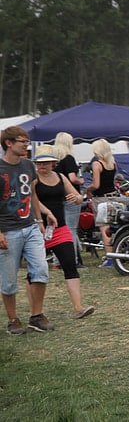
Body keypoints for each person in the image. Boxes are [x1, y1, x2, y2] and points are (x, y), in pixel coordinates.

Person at [0, 126, 56, 334]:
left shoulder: (28, 166)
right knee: (8, 280)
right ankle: (13, 320)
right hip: (7, 229)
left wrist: (40, 220)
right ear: (9, 143)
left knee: (41, 270)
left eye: (27, 141)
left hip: (30, 225)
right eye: (22, 141)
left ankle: (36, 316)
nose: (27, 145)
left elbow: (32, 194)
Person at [31, 145, 95, 319]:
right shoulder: (33, 179)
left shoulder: (60, 177)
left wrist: (77, 198)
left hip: (60, 229)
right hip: (37, 229)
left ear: (53, 163)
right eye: (39, 163)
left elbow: (78, 197)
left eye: (45, 163)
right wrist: (46, 213)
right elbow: (32, 200)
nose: (41, 166)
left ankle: (78, 307)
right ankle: (35, 311)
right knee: (35, 271)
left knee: (70, 264)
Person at [54, 132, 85, 267]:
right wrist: (81, 181)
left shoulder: (54, 160)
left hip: (57, 196)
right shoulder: (69, 158)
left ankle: (57, 260)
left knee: (58, 228)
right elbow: (72, 178)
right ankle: (71, 260)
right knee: (71, 228)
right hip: (71, 195)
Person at [85, 139, 116, 266]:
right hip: (113, 197)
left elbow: (96, 185)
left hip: (101, 198)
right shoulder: (113, 163)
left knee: (104, 229)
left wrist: (88, 188)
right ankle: (116, 253)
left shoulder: (97, 164)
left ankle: (110, 258)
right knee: (112, 227)